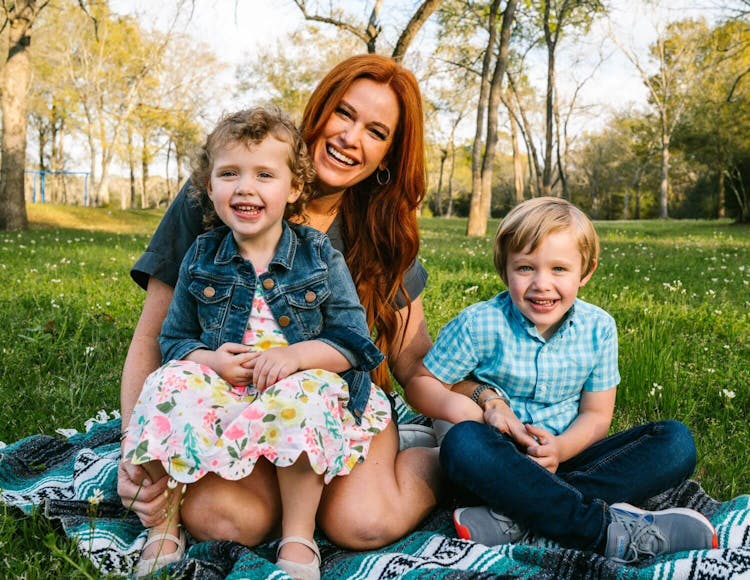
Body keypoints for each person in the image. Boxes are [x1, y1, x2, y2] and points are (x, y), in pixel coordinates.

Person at [117, 54, 441, 566]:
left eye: (376, 131)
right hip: (231, 398)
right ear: (318, 110)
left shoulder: (379, 231)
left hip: (331, 402)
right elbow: (155, 339)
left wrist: (479, 409)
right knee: (223, 522)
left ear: (388, 156)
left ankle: (435, 460)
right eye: (344, 113)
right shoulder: (222, 194)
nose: (351, 137)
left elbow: (411, 357)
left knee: (361, 522)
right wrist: (132, 453)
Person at [406, 197, 718, 563]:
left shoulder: (599, 328)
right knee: (463, 443)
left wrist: (561, 449)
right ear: (504, 269)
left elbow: (597, 415)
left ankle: (521, 516)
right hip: (499, 463)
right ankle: (604, 532)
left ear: (585, 272)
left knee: (675, 442)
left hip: (570, 457)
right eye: (525, 267)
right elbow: (420, 383)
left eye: (559, 269)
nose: (541, 284)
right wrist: (472, 409)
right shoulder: (480, 323)